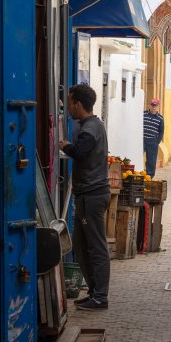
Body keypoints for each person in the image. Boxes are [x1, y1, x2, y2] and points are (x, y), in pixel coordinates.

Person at [60, 84, 111, 310]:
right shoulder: (89, 125)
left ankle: (101, 296)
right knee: (81, 247)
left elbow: (81, 152)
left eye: (70, 102)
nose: (68, 107)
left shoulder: (91, 127)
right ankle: (93, 292)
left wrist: (65, 146)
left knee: (96, 247)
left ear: (78, 104)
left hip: (92, 195)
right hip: (85, 195)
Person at [142, 98, 164, 178]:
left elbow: (161, 131)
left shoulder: (160, 118)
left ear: (158, 106)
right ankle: (138, 174)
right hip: (142, 141)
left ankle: (149, 177)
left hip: (152, 142)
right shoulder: (143, 114)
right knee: (137, 156)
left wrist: (157, 142)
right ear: (150, 105)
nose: (153, 107)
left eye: (155, 105)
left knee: (151, 161)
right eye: (152, 105)